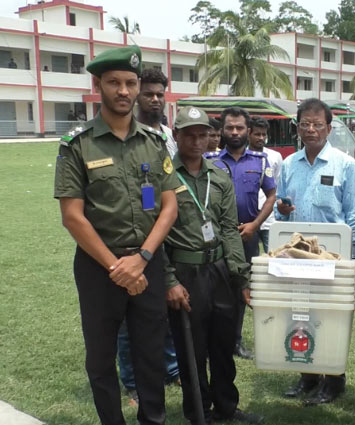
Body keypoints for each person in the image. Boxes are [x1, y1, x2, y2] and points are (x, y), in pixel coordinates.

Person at [54, 45, 180, 425]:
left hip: (147, 261)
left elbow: (169, 206)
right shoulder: (77, 144)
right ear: (99, 85)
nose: (123, 91)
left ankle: (152, 420)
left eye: (130, 83)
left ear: (138, 87)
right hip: (99, 267)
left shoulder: (154, 142)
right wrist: (117, 267)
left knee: (151, 353)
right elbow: (72, 217)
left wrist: (141, 258)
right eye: (114, 83)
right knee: (100, 357)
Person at [166, 106, 262, 424]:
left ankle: (226, 407)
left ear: (211, 136)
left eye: (202, 133)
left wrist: (241, 277)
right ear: (176, 135)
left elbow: (228, 231)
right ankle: (198, 412)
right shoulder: (162, 177)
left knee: (223, 343)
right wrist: (169, 281)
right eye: (189, 134)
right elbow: (155, 234)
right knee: (192, 349)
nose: (196, 140)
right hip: (185, 272)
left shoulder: (219, 177)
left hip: (219, 270)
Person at [276, 98, 355, 406]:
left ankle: (334, 380)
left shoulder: (345, 164)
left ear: (329, 127)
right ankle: (307, 376)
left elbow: (354, 216)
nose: (311, 130)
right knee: (300, 315)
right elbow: (281, 215)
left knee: (330, 318)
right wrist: (282, 209)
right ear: (297, 127)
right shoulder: (288, 165)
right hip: (298, 258)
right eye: (305, 124)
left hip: (332, 258)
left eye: (317, 124)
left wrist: (349, 261)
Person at [116, 67, 179, 406]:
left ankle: (169, 369)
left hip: (168, 235)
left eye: (159, 94)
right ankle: (131, 381)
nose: (154, 99)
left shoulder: (168, 137)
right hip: (134, 239)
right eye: (149, 93)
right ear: (138, 94)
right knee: (129, 317)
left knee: (163, 309)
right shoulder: (126, 136)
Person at [205, 107, 277, 360]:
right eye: (229, 127)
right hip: (215, 239)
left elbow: (271, 196)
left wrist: (255, 225)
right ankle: (212, 339)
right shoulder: (210, 161)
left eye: (239, 128)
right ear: (222, 130)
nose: (234, 132)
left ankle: (235, 341)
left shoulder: (260, 162)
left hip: (247, 236)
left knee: (241, 290)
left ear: (248, 130)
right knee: (212, 289)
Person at [247, 117, 283, 252]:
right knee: (250, 260)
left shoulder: (275, 156)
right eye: (257, 134)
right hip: (248, 219)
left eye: (264, 134)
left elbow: (279, 186)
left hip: (270, 220)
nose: (261, 138)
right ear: (249, 133)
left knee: (274, 257)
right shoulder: (241, 156)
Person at [135, 68, 177, 158]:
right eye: (148, 95)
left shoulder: (170, 135)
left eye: (159, 95)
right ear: (137, 97)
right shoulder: (129, 135)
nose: (155, 99)